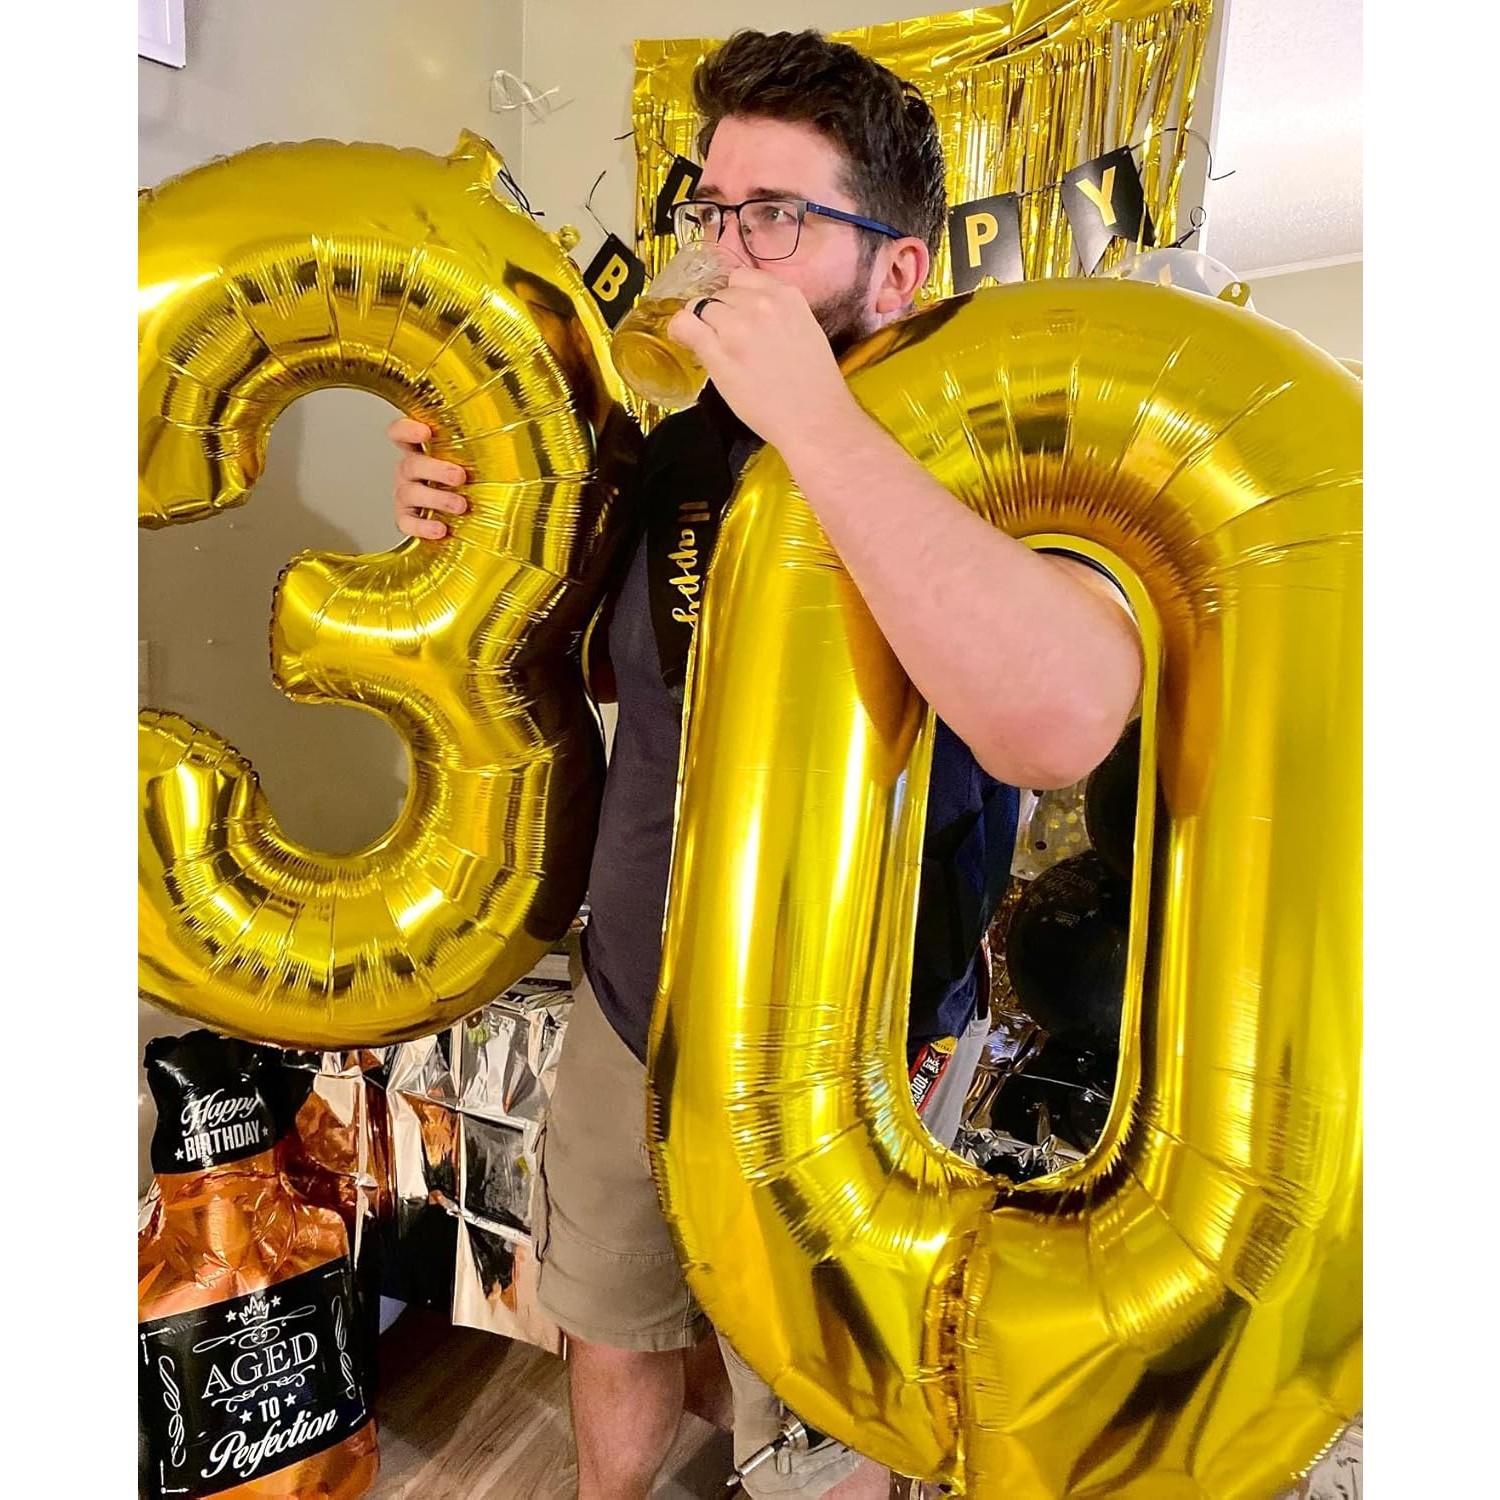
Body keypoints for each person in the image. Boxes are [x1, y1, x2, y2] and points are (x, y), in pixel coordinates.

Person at [387, 29, 1142, 1500]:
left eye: (780, 217)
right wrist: (465, 523)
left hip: (851, 1034)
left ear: (900, 271)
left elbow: (1055, 724)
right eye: (716, 210)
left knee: (821, 1392)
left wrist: (816, 419)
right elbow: (620, 667)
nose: (726, 253)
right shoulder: (684, 449)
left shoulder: (1002, 448)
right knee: (612, 1305)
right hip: (635, 988)